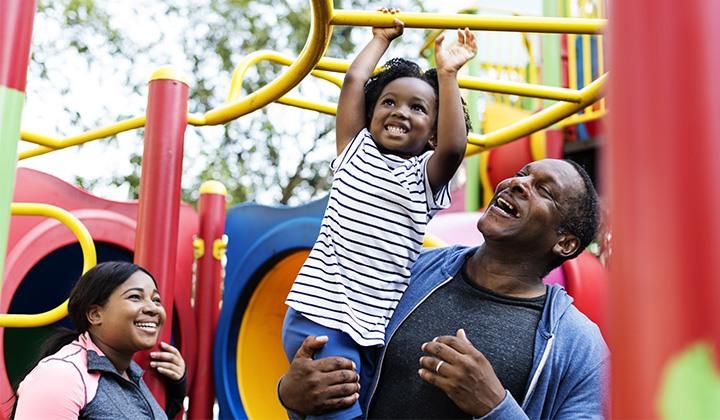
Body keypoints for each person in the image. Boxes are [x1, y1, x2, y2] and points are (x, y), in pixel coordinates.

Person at [279, 158, 609, 419]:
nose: (517, 183)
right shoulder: (408, 270)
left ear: (564, 243)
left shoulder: (580, 347)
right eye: (522, 173)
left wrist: (494, 406)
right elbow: (336, 375)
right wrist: (292, 395)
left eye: (544, 190)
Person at [282, 8, 477, 419]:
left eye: (419, 109)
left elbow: (455, 149)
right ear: (370, 115)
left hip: (370, 332)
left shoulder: (422, 179)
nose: (401, 112)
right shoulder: (356, 153)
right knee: (339, 410)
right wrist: (379, 40)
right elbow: (354, 82)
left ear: (434, 132)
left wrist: (447, 74)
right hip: (322, 315)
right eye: (389, 101)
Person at [10, 261, 186, 419]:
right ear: (95, 314)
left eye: (156, 300)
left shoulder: (132, 374)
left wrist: (176, 392)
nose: (152, 308)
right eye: (135, 297)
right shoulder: (61, 374)